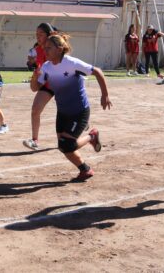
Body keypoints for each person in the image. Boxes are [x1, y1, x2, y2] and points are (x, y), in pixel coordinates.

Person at [30, 33, 110, 182]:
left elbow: (97, 71)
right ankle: (85, 170)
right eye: (44, 48)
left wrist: (105, 95)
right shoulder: (46, 67)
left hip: (79, 111)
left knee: (67, 145)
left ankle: (92, 136)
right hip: (62, 112)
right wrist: (35, 77)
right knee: (63, 146)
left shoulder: (71, 63)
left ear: (59, 49)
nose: (45, 51)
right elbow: (35, 88)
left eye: (49, 48)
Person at [23, 23, 58, 150]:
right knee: (35, 110)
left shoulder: (57, 47)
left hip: (62, 82)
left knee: (67, 111)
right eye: (36, 34)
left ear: (49, 35)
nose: (37, 36)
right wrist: (34, 70)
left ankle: (81, 121)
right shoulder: (37, 49)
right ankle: (34, 140)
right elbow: (35, 86)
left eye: (41, 34)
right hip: (47, 83)